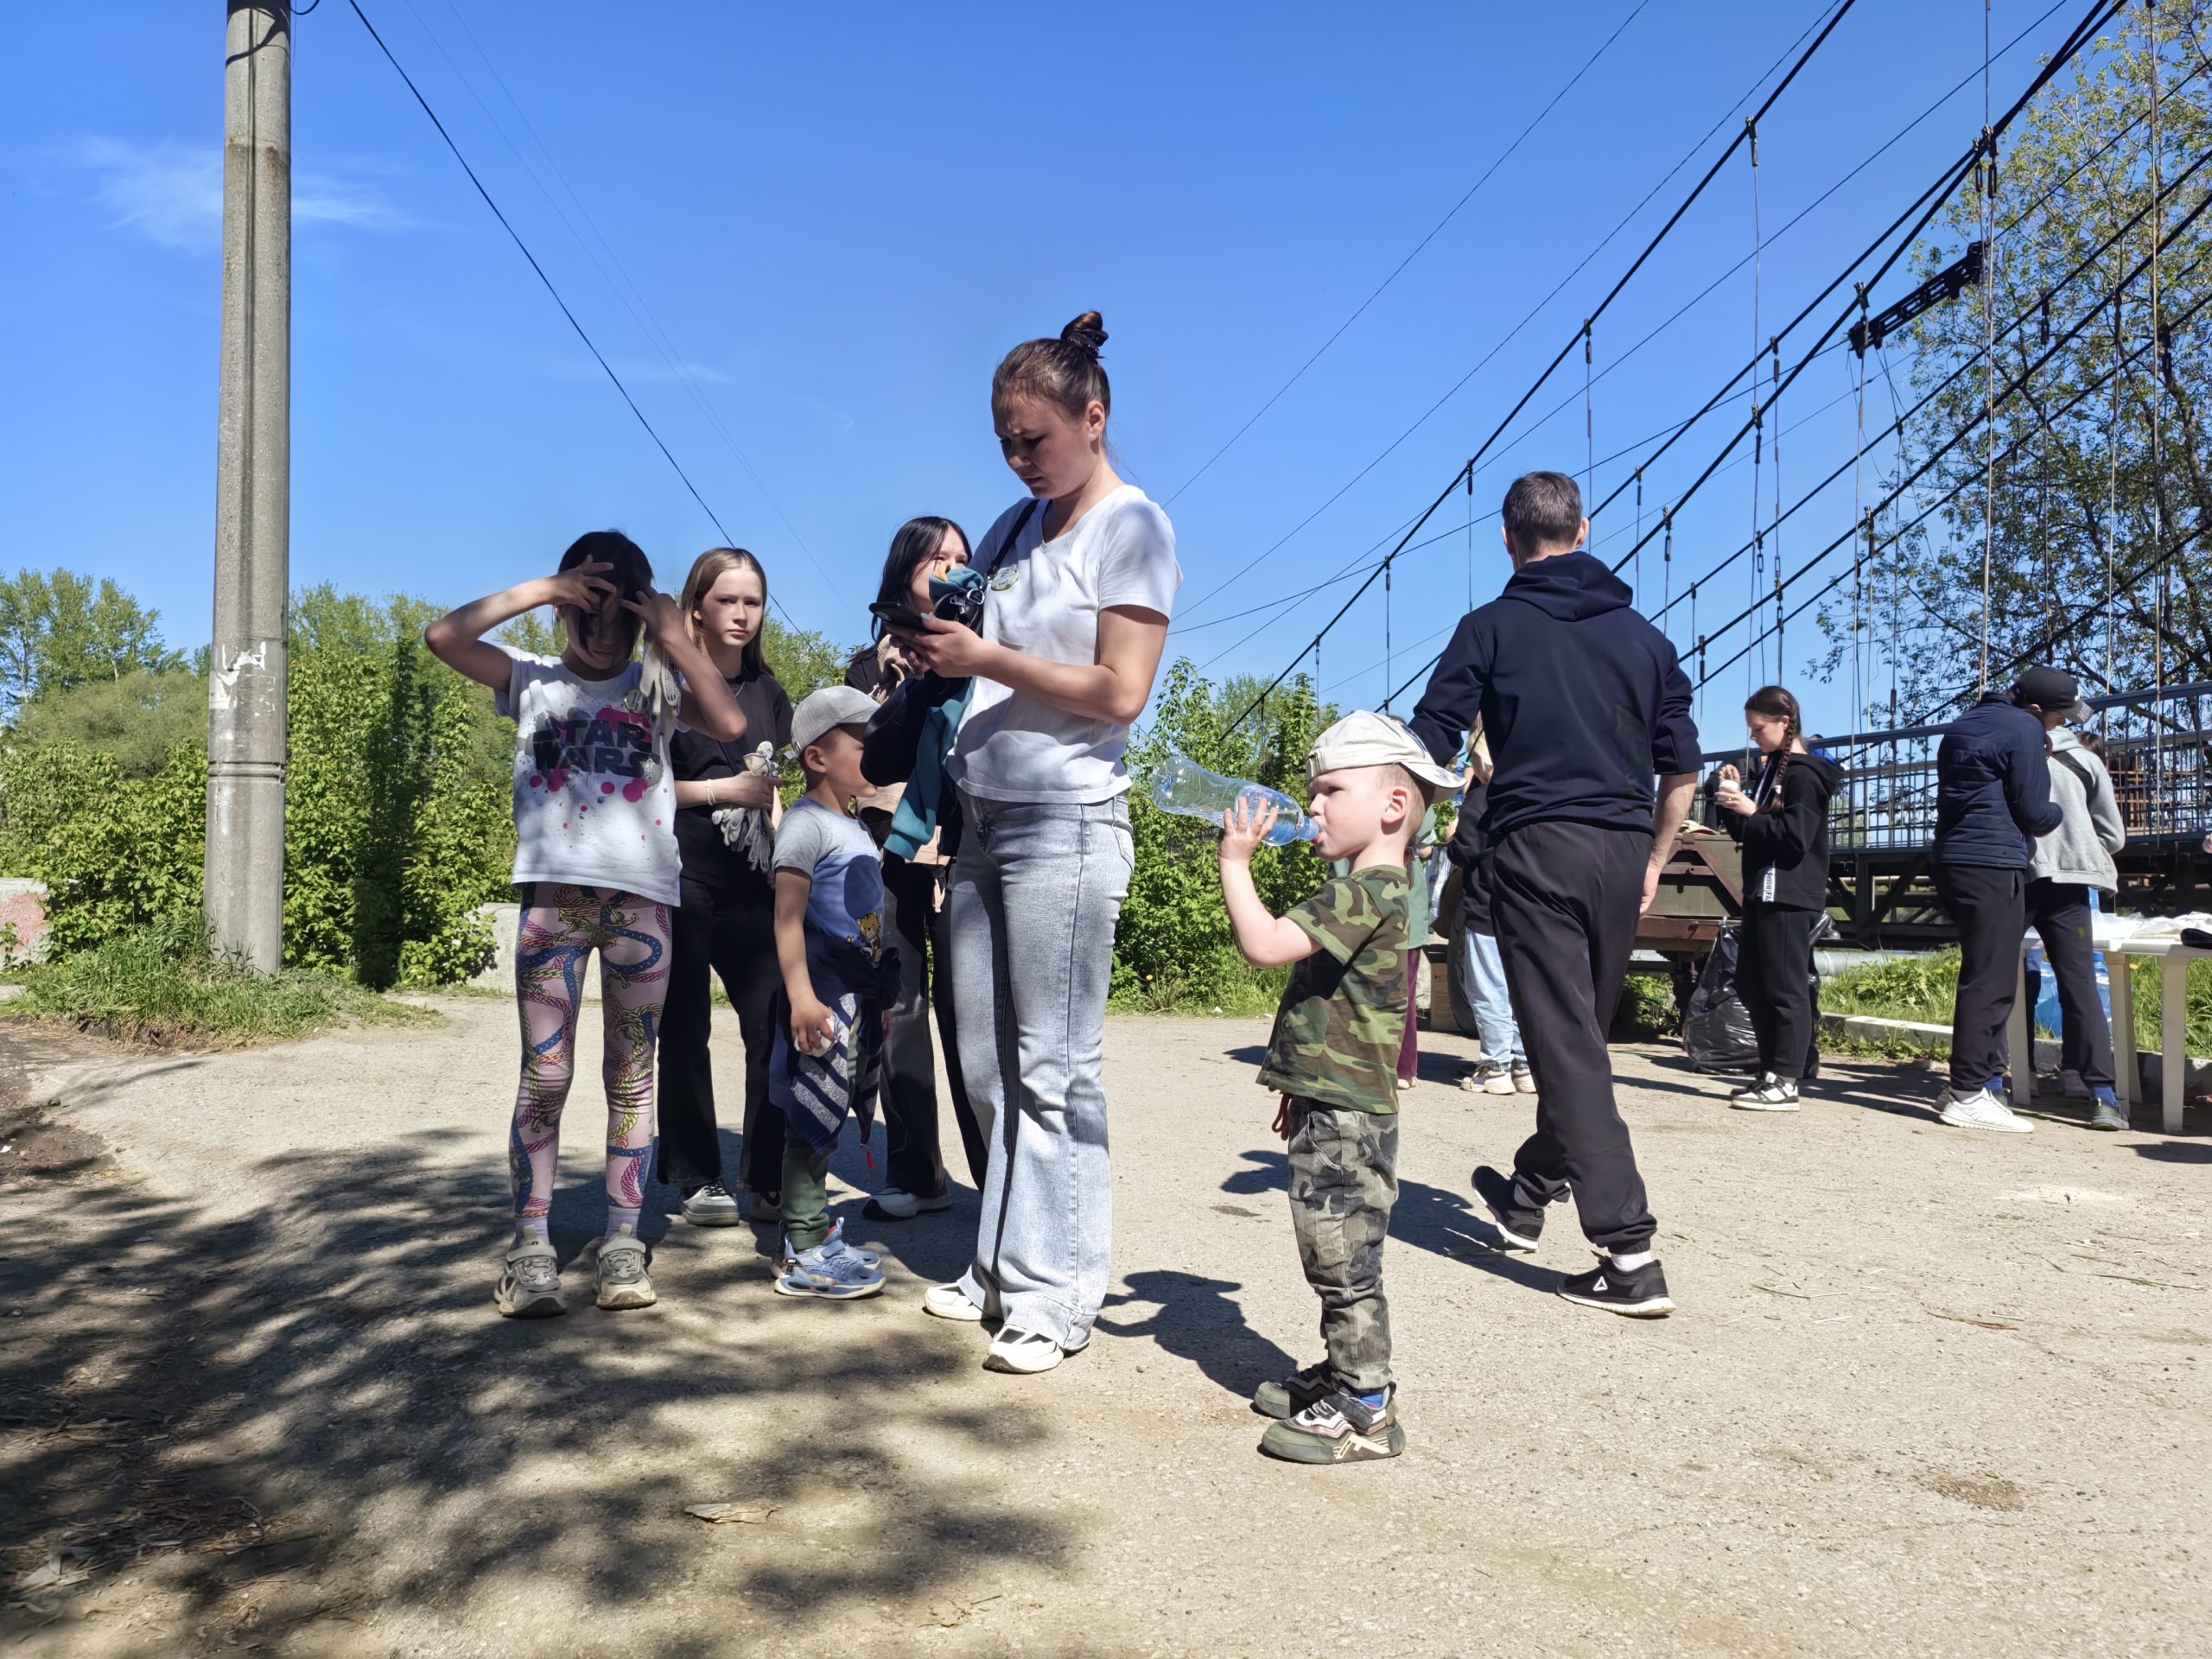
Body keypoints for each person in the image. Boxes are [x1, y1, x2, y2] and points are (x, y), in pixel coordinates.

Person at [891, 312, 1179, 1375]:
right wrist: (938, 657)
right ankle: (1005, 1263)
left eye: (1034, 440)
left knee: (1054, 1068)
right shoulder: (1018, 528)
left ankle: (1060, 1297)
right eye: (1005, 441)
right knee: (985, 1063)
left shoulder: (1132, 528)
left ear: (1092, 419)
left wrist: (986, 660)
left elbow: (1121, 693)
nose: (1017, 460)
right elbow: (986, 652)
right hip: (982, 813)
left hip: (1067, 821)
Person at [423, 531, 746, 1319]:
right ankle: (531, 1248)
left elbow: (731, 724)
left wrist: (674, 635)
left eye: (618, 619)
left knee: (631, 1077)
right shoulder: (530, 679)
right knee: (548, 1075)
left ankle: (624, 1242)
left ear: (640, 620)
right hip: (553, 903)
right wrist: (545, 587)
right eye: (586, 613)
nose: (601, 634)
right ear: (568, 609)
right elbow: (444, 637)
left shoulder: (656, 686)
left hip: (641, 903)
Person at [1410, 471, 1697, 1319]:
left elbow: (1431, 746)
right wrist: (1653, 856)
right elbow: (1680, 768)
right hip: (1618, 854)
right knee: (1577, 1044)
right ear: (1584, 529)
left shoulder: (1488, 628)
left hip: (1535, 849)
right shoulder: (1645, 641)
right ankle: (1527, 1195)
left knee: (1568, 1052)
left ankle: (1630, 1255)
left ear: (1507, 539)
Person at [847, 517, 984, 1212]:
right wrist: (895, 687)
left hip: (962, 852)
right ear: (906, 570)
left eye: (963, 559)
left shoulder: (986, 652)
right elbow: (858, 764)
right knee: (897, 1009)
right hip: (889, 857)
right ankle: (915, 1173)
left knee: (972, 1016)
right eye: (937, 558)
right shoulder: (866, 667)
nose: (951, 570)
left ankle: (997, 1182)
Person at [657, 548, 795, 1228]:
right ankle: (697, 1178)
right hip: (681, 871)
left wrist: (790, 849)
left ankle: (766, 1177)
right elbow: (639, 786)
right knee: (685, 1027)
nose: (742, 614)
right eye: (728, 601)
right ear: (697, 609)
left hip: (754, 882)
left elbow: (774, 790)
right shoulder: (664, 687)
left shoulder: (770, 694)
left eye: (753, 602)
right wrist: (721, 789)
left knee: (773, 1025)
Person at [767, 685, 902, 1299]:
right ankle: (803, 1251)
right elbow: (787, 917)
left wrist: (880, 1006)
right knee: (811, 1122)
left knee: (832, 1116)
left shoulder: (854, 826)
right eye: (864, 744)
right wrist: (800, 996)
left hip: (854, 1003)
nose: (878, 754)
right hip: (819, 999)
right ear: (817, 757)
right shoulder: (804, 824)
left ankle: (815, 1234)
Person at [1931, 671, 2063, 1132]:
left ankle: (1963, 1086)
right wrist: (2060, 809)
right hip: (1992, 862)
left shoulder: (1967, 720)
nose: (2055, 726)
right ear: (2038, 712)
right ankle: (1969, 1093)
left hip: (1952, 857)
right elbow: (2034, 812)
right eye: (2057, 718)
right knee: (1993, 980)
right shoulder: (2026, 728)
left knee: (1977, 973)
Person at [1711, 686, 1845, 1112]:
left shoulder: (1804, 775)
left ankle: (1787, 1079)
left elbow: (1794, 839)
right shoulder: (1771, 771)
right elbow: (1746, 833)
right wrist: (1732, 803)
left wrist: (1751, 811)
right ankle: (1771, 1071)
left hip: (1788, 892)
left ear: (1784, 722)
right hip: (1762, 890)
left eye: (1758, 728)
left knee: (1785, 988)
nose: (1753, 737)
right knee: (1752, 982)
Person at [2014, 667, 2127, 1131]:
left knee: (1998, 979)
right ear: (2056, 716)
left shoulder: (2008, 751)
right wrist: (2081, 847)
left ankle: (1996, 1083)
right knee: (2079, 984)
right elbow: (2114, 835)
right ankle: (2101, 1093)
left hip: (2017, 876)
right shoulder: (2086, 760)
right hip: (2072, 882)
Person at [1448, 733, 1533, 1097]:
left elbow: (1465, 852)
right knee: (1520, 990)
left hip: (1485, 908)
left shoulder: (1481, 799)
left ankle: (1495, 1066)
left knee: (1488, 990)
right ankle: (1524, 1065)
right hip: (1527, 911)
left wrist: (1453, 836)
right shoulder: (1533, 796)